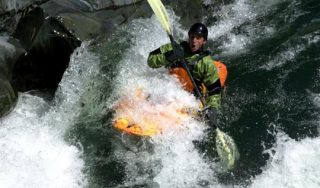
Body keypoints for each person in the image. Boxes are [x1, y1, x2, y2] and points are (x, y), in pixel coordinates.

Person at [147, 23, 227, 122]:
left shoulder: (206, 63)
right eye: (192, 36)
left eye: (198, 38)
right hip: (169, 89)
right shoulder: (173, 48)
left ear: (204, 41)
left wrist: (213, 110)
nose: (194, 40)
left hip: (190, 97)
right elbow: (151, 61)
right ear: (188, 36)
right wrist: (170, 56)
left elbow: (214, 91)